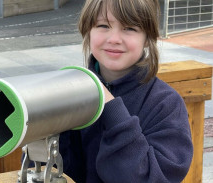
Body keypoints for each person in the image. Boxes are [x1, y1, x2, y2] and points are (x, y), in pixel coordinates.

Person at [59, 0, 193, 182]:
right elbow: (48, 169)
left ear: (147, 39)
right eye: (103, 25)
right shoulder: (72, 94)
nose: (114, 39)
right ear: (87, 31)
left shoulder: (166, 104)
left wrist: (111, 108)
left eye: (129, 28)